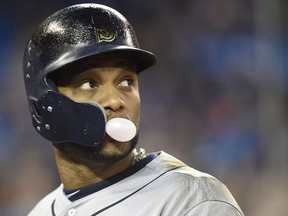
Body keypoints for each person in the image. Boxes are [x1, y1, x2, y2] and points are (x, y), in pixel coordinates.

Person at [23, 3, 244, 216]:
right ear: (44, 107)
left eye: (126, 81)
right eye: (89, 83)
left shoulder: (191, 201)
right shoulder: (39, 212)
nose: (115, 100)